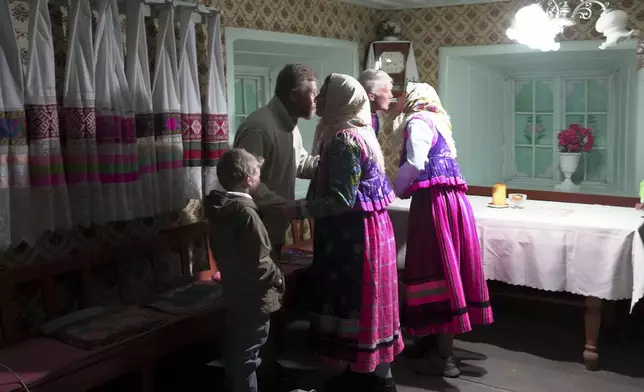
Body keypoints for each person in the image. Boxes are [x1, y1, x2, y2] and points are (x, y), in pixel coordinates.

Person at [285, 74, 403, 391]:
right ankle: (368, 375)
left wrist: (296, 210)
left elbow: (341, 198)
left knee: (356, 301)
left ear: (340, 100)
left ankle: (373, 382)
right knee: (370, 303)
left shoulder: (344, 139)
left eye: (325, 93)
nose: (319, 99)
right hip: (368, 231)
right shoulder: (357, 132)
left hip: (353, 238)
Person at [392, 82, 493, 378]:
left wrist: (394, 189)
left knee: (435, 269)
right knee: (437, 268)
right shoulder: (438, 121)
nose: (399, 100)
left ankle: (442, 357)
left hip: (435, 205)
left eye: (402, 95)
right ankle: (428, 342)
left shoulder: (418, 121)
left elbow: (416, 162)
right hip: (450, 203)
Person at [204, 148, 285, 392]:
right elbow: (260, 261)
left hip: (235, 291)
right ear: (249, 180)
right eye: (258, 175)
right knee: (249, 356)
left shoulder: (221, 209)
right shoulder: (247, 214)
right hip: (255, 296)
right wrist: (278, 277)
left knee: (240, 352)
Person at [233, 64, 320, 260]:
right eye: (312, 93)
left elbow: (300, 163)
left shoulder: (290, 126)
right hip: (253, 230)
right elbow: (243, 181)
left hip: (273, 228)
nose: (317, 100)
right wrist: (285, 206)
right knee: (261, 288)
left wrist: (334, 164)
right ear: (293, 94)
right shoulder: (259, 127)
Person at [358, 69, 394, 137]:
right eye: (388, 91)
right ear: (372, 96)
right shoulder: (358, 122)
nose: (391, 96)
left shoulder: (375, 116)